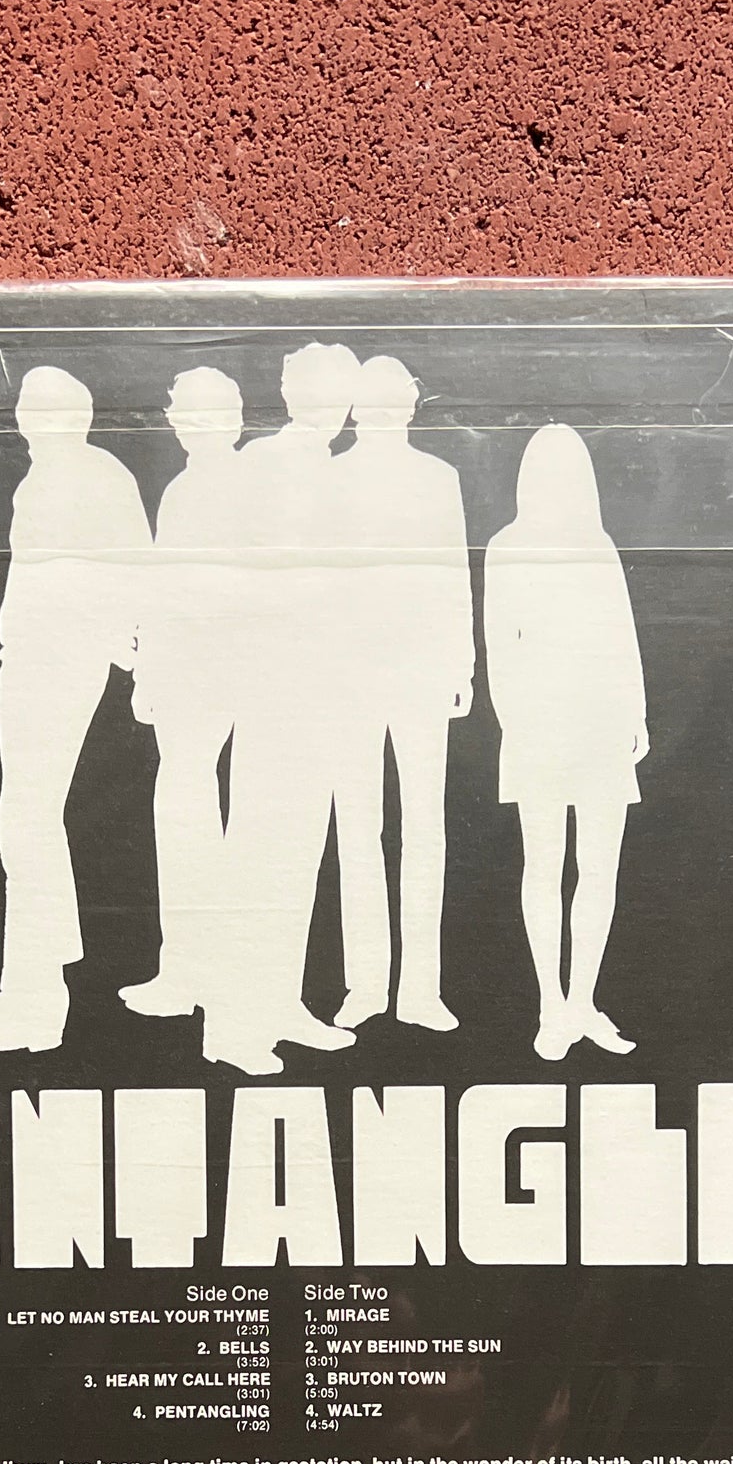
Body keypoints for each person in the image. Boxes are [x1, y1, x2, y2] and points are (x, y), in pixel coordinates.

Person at [0, 366, 150, 1056]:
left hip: (58, 664)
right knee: (26, 821)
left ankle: (38, 1007)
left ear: (75, 416)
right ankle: (26, 983)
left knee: (29, 821)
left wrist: (119, 647)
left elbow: (133, 568)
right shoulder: (51, 476)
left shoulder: (89, 475)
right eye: (28, 406)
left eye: (42, 407)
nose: (28, 417)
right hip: (34, 660)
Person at [202, 342, 363, 1076]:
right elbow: (235, 569)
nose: (332, 407)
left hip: (323, 679)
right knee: (259, 848)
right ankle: (232, 1028)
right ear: (292, 392)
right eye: (320, 390)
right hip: (272, 677)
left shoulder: (331, 471)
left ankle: (281, 1002)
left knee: (300, 847)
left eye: (341, 394)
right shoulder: (262, 463)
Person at [483, 423, 648, 1062]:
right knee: (545, 866)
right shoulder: (506, 546)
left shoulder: (597, 544)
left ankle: (583, 1001)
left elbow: (622, 634)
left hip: (601, 720)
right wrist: (518, 722)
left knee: (600, 868)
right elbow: (500, 645)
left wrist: (635, 712)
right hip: (540, 723)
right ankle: (550, 1005)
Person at [333, 354, 473, 1031]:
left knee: (424, 829)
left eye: (397, 401)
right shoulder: (331, 477)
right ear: (357, 409)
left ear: (413, 408)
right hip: (349, 675)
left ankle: (420, 991)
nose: (387, 413)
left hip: (421, 671)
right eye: (375, 402)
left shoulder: (439, 478)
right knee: (359, 828)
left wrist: (461, 664)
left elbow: (453, 572)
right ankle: (365, 986)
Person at [119, 366, 249, 1021]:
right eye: (183, 413)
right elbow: (162, 590)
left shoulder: (244, 488)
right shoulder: (179, 490)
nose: (190, 425)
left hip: (221, 675)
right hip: (185, 677)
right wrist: (148, 672)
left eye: (205, 413)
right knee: (185, 814)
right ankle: (189, 971)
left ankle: (208, 974)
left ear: (235, 419)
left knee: (201, 815)